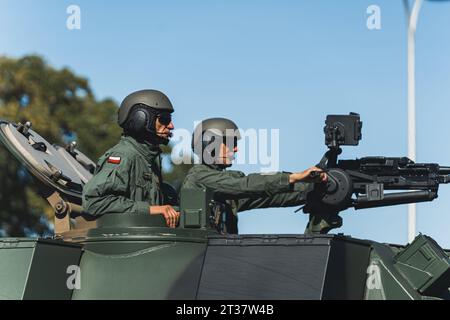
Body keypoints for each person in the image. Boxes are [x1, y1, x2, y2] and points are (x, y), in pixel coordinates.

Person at [181, 117, 327, 234]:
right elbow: (244, 185)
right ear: (210, 144)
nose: (236, 148)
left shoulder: (224, 191)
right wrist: (293, 177)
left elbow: (268, 195)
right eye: (231, 143)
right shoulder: (199, 177)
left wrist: (314, 189)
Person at [82, 89, 180, 228]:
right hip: (123, 245)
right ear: (141, 119)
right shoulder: (124, 156)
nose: (171, 126)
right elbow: (93, 201)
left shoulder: (149, 159)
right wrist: (150, 210)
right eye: (164, 119)